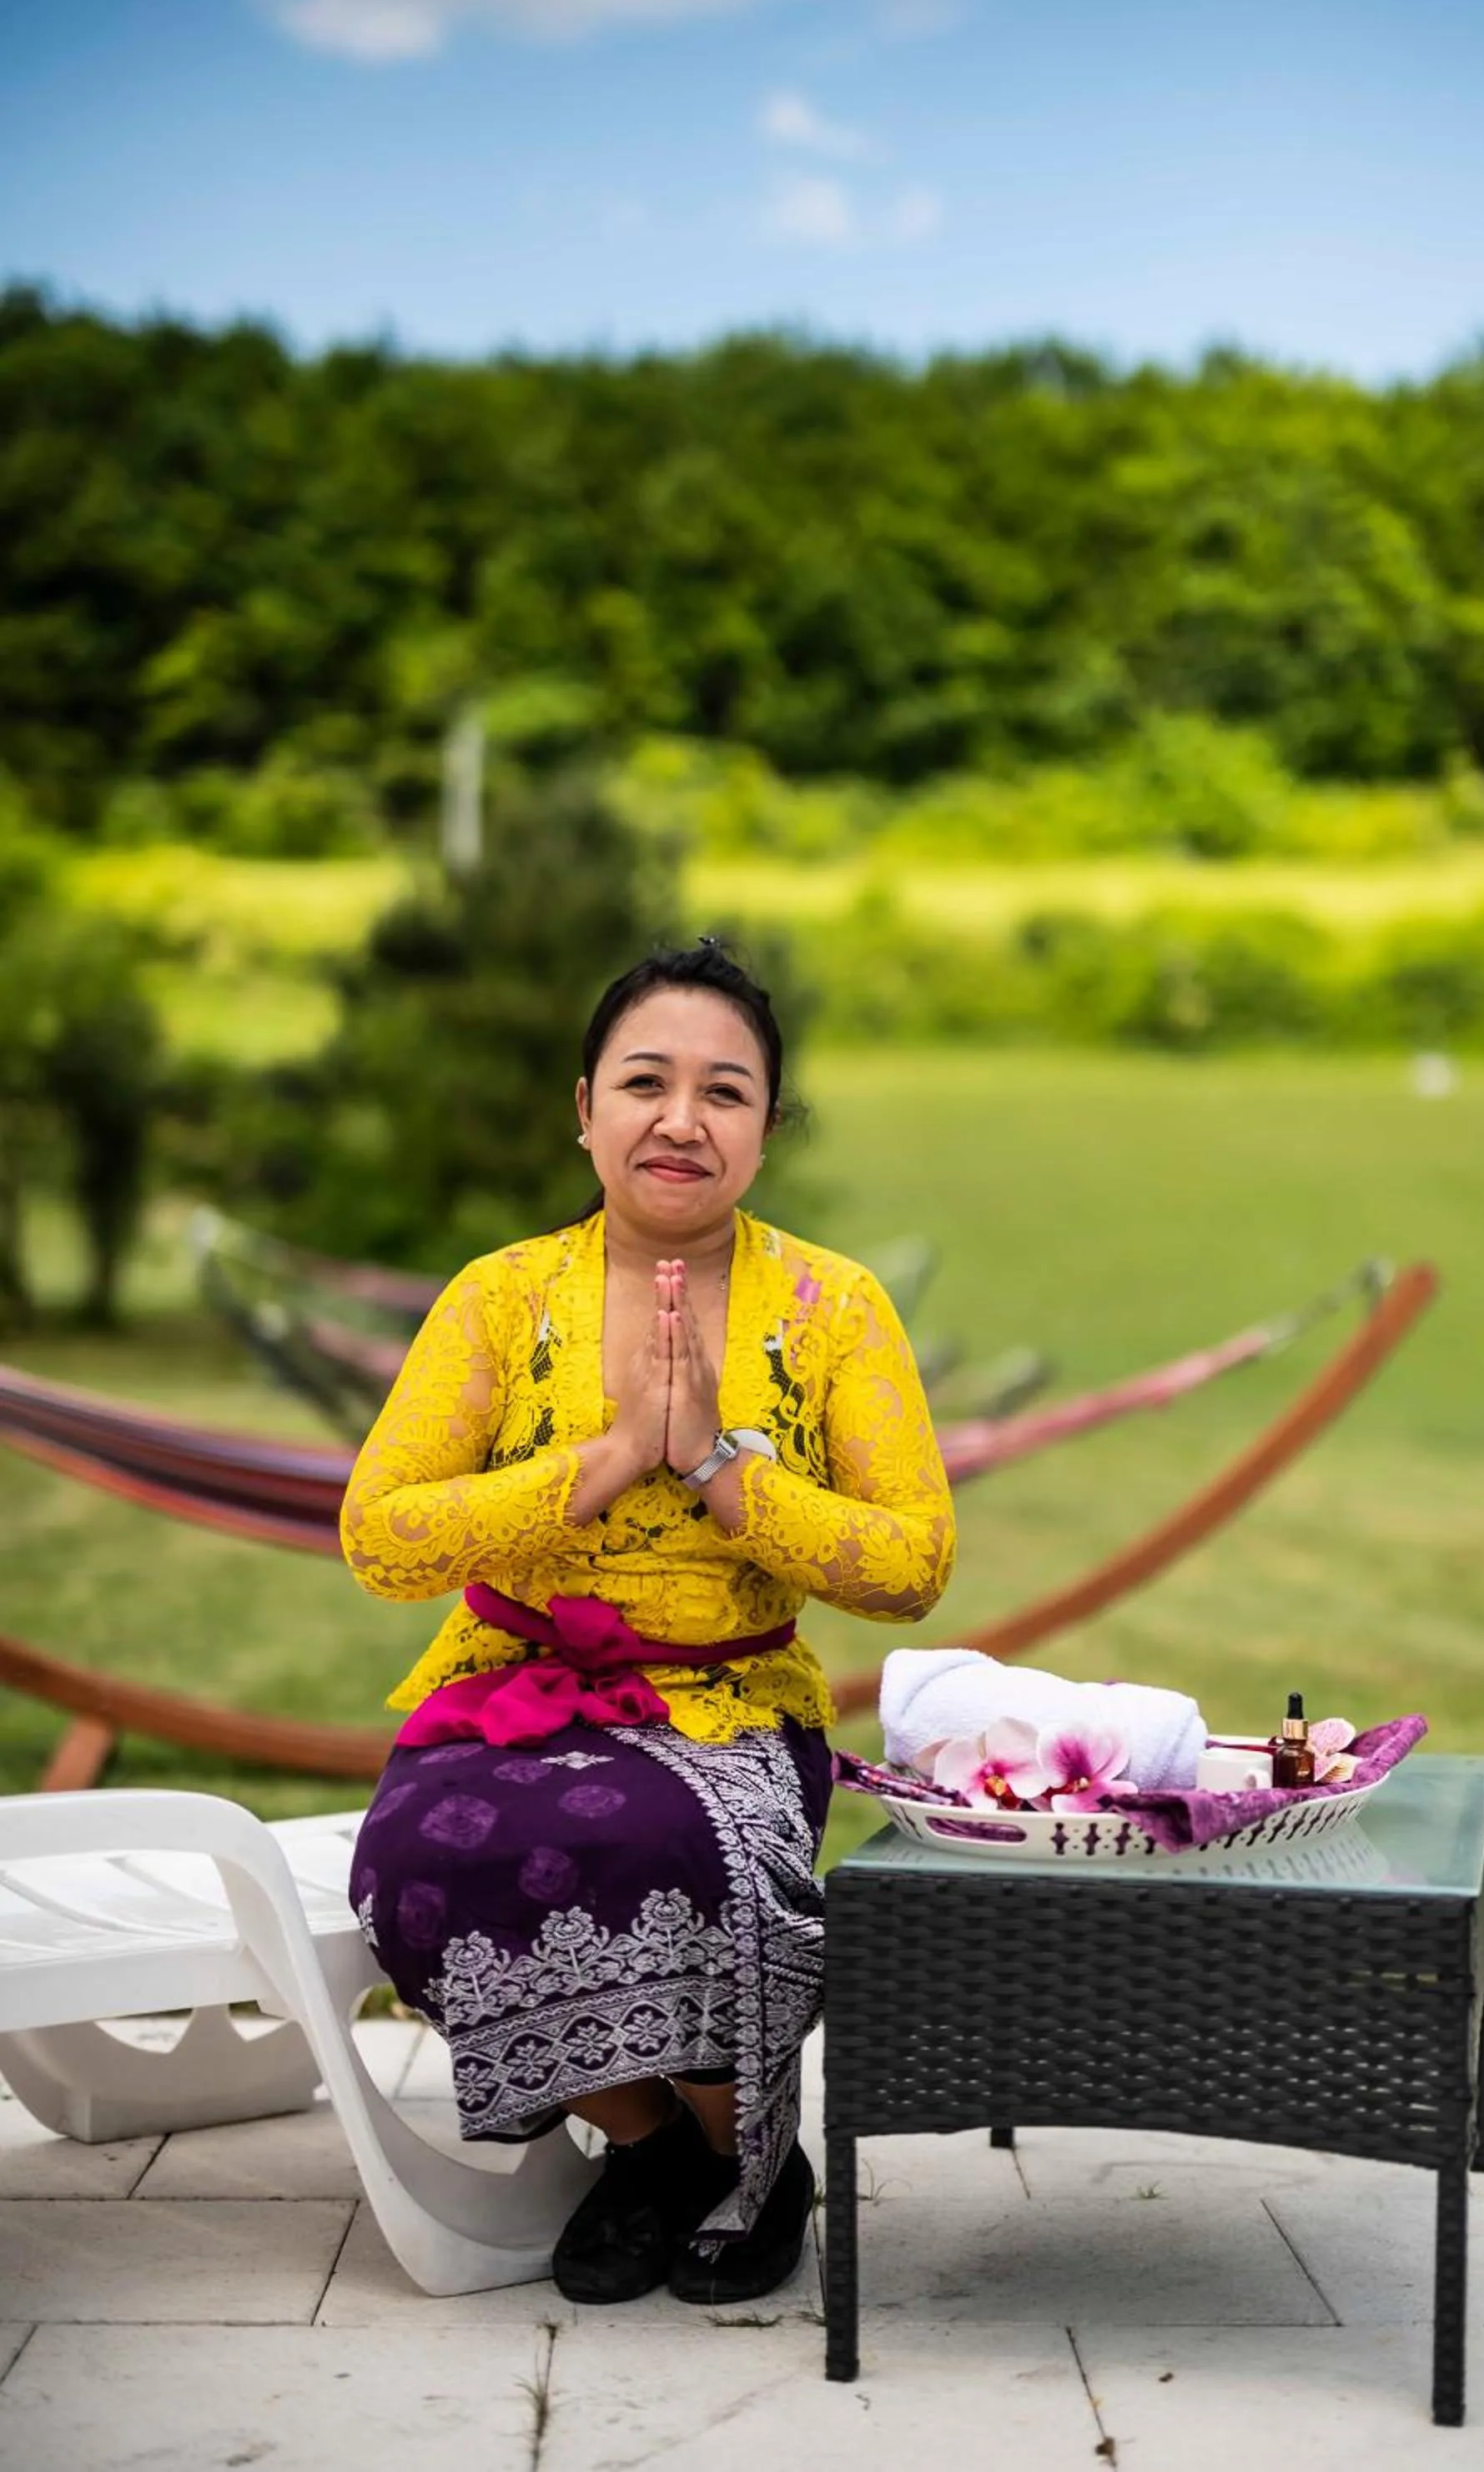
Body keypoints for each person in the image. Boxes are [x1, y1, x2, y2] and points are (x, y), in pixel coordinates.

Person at [342, 939, 957, 2307]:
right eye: (646, 1083)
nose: (682, 1120)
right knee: (411, 1872)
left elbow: (914, 1563)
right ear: (584, 1109)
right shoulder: (501, 1300)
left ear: (765, 1128)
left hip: (732, 1704)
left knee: (687, 1849)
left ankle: (752, 2160)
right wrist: (611, 1459)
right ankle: (646, 2148)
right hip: (513, 1688)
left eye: (725, 1092)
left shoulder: (833, 1308)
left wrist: (728, 1474)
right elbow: (380, 1535)